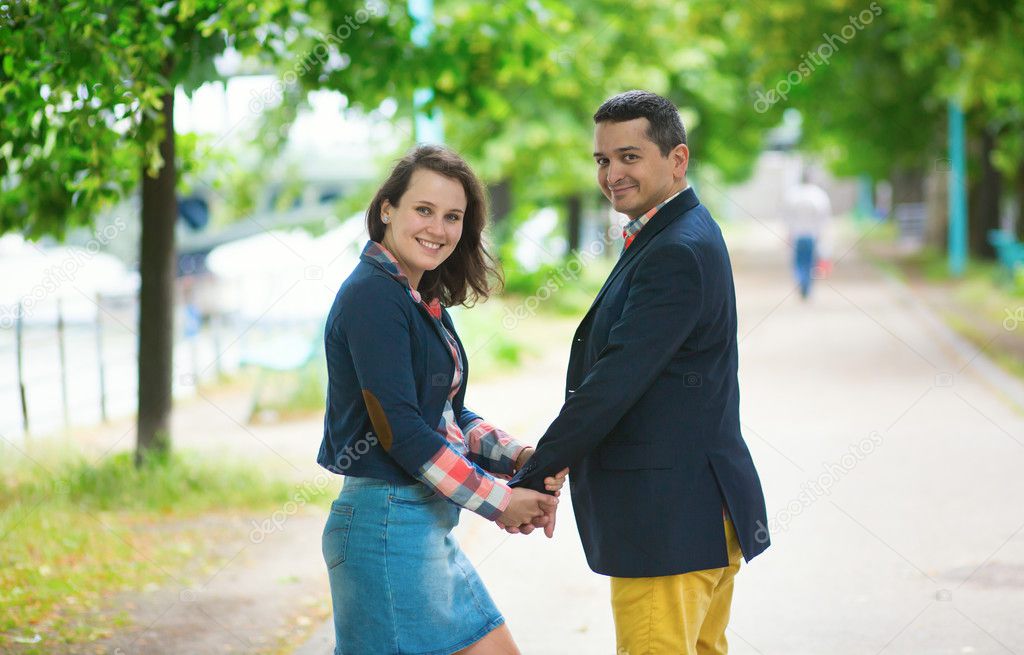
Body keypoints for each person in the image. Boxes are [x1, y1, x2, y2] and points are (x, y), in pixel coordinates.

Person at [506, 90, 771, 655]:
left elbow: (615, 380)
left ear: (677, 159)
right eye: (602, 160)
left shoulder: (676, 248)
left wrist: (537, 474)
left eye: (629, 156)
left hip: (669, 524)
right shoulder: (681, 230)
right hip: (696, 516)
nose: (612, 173)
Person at [317, 145, 568, 655]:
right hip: (387, 529)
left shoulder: (419, 299)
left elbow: (449, 417)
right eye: (423, 210)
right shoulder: (372, 296)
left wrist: (520, 457)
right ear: (387, 209)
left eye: (452, 216)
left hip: (423, 525)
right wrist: (501, 503)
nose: (438, 228)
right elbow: (403, 433)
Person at [783, 169, 833, 299]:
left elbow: (787, 216)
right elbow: (824, 216)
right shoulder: (819, 195)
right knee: (810, 261)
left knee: (799, 261)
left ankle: (801, 281)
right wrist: (821, 232)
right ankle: (807, 284)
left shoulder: (793, 194)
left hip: (797, 234)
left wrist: (789, 232)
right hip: (812, 234)